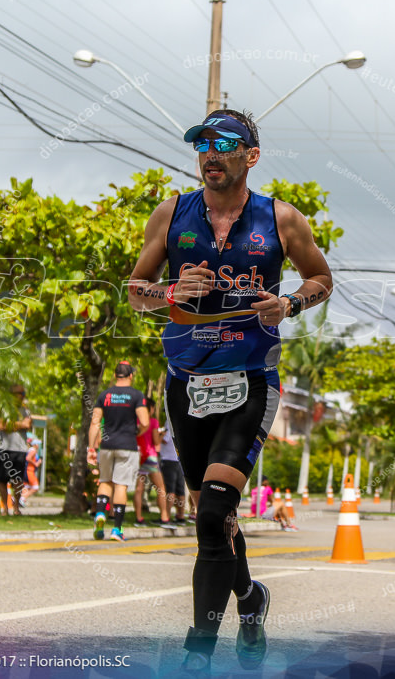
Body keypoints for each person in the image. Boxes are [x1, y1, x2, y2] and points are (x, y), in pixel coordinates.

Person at [128, 109, 333, 674]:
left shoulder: (282, 219)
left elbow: (321, 278)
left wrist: (289, 302)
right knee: (211, 519)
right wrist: (170, 288)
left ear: (251, 156)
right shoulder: (171, 213)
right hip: (187, 381)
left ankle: (197, 652)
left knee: (217, 507)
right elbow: (136, 292)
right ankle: (250, 598)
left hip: (249, 378)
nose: (211, 154)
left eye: (224, 144)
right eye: (202, 145)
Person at [88, 361, 150, 542]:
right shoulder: (137, 395)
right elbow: (145, 422)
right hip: (127, 446)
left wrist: (91, 448)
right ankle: (117, 529)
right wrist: (137, 432)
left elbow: (94, 423)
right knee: (121, 486)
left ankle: (100, 515)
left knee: (105, 481)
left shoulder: (104, 395)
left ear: (115, 375)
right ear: (131, 375)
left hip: (106, 446)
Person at [134, 398, 176, 529]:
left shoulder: (135, 421)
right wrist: (161, 434)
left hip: (138, 455)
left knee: (139, 489)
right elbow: (156, 441)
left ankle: (139, 518)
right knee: (161, 488)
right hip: (150, 457)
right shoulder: (153, 421)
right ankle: (164, 517)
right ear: (151, 408)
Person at [0, 384, 32, 516]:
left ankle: (16, 508)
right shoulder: (4, 409)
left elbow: (27, 424)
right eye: (20, 393)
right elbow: (2, 425)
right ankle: (5, 508)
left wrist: (12, 425)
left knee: (17, 480)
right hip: (4, 447)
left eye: (23, 394)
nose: (22, 396)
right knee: (2, 479)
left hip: (19, 449)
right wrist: (18, 425)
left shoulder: (26, 411)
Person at [159, 423, 189, 525]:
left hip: (168, 459)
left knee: (169, 490)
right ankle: (180, 516)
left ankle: (166, 516)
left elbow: (165, 439)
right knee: (180, 490)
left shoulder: (169, 421)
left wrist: (159, 434)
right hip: (179, 459)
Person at [21, 437, 41, 506]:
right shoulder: (33, 451)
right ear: (35, 444)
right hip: (30, 470)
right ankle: (22, 499)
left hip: (27, 470)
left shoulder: (30, 450)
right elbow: (28, 458)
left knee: (26, 487)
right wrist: (36, 463)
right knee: (35, 487)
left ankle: (18, 499)